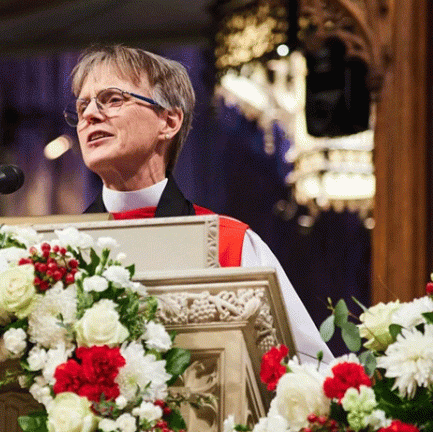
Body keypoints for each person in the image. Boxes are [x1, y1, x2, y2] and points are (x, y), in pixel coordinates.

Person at [65, 44, 333, 364]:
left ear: (169, 121)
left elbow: (308, 368)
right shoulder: (55, 252)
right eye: (82, 108)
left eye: (112, 99)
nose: (90, 115)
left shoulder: (228, 245)